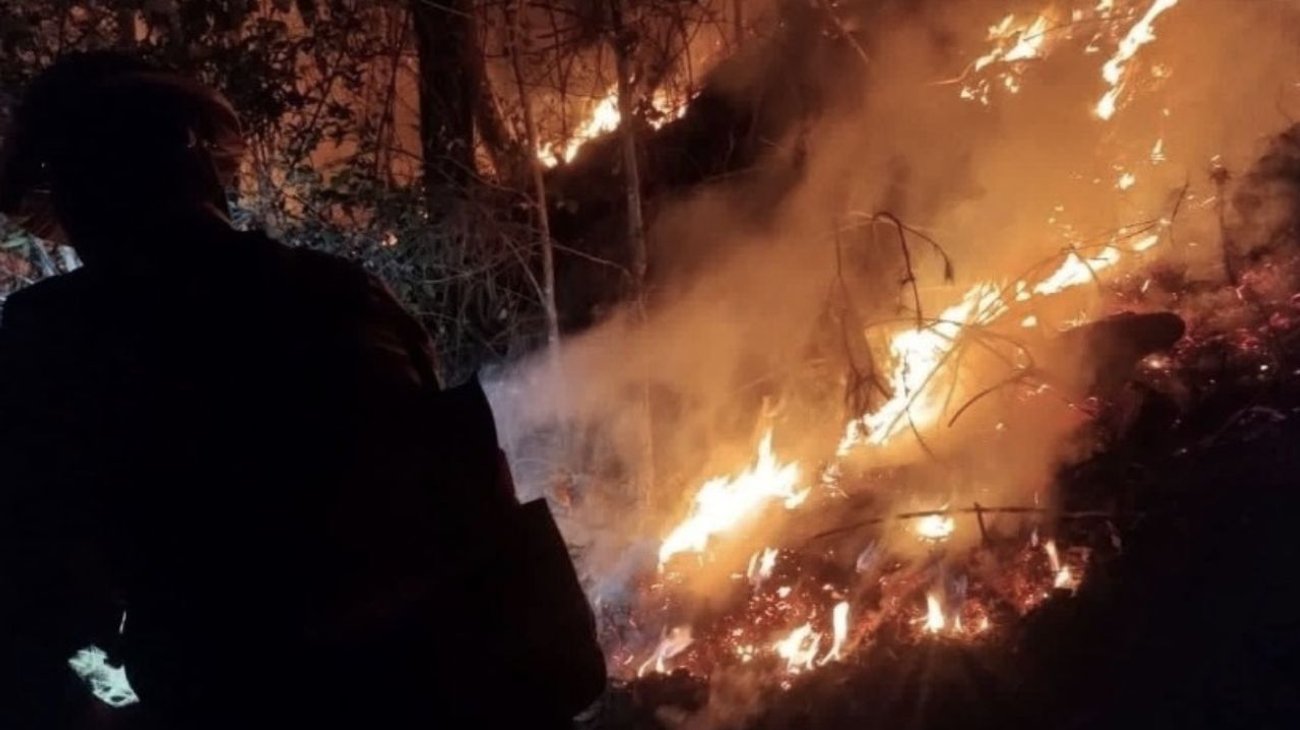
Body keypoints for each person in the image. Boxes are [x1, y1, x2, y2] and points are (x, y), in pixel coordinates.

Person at [0, 53, 603, 729]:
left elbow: (38, 585)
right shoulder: (339, 295)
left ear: (75, 193)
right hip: (435, 688)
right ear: (196, 160)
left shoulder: (49, 340)